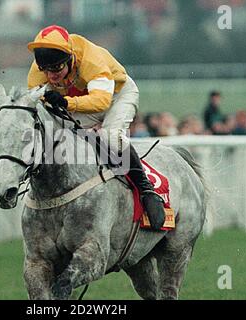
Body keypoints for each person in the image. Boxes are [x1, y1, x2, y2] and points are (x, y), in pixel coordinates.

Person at [27, 25, 165, 230]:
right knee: (58, 132)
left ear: (70, 58)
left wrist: (66, 102)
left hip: (117, 95)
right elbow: (34, 103)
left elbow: (101, 102)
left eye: (56, 69)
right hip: (80, 98)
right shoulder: (41, 69)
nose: (51, 75)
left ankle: (146, 189)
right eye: (46, 70)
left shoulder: (91, 59)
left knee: (109, 137)